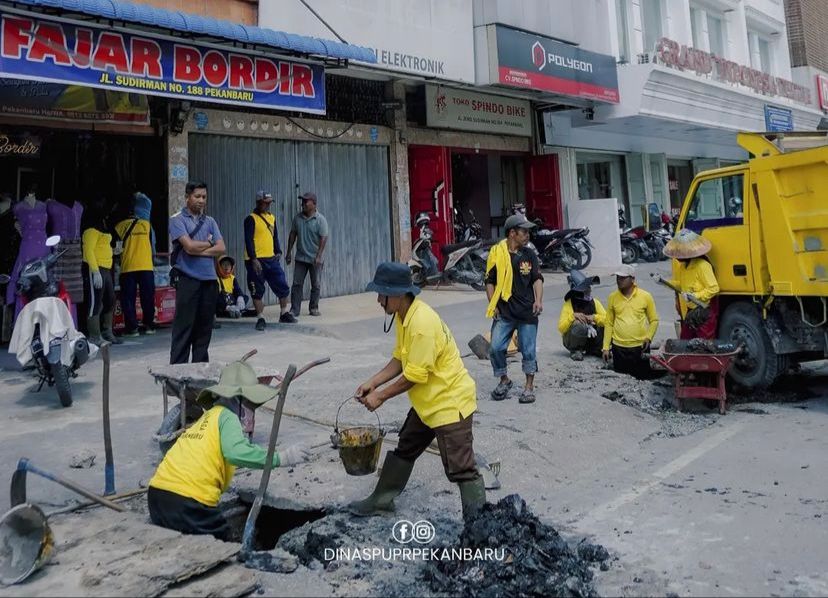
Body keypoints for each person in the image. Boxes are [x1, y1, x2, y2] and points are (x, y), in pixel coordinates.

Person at [350, 262, 485, 521]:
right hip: (427, 404)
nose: (379, 300)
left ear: (399, 294)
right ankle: (381, 500)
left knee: (462, 469)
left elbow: (414, 376)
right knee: (406, 447)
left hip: (448, 403)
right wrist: (373, 382)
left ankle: (479, 524)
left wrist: (380, 396)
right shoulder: (404, 315)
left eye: (382, 294)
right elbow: (401, 360)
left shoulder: (421, 323)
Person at [148, 361, 311, 539]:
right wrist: (280, 458)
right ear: (238, 398)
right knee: (223, 545)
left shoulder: (209, 416)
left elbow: (237, 448)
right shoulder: (228, 417)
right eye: (249, 401)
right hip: (186, 502)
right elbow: (236, 452)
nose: (250, 406)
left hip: (156, 496)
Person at [485, 214, 543, 404]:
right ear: (512, 233)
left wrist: (538, 300)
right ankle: (504, 380)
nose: (527, 235)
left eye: (528, 232)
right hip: (505, 312)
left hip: (527, 313)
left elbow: (537, 279)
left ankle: (528, 387)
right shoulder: (497, 253)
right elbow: (489, 281)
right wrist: (492, 304)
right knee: (495, 348)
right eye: (524, 232)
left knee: (528, 351)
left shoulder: (530, 255)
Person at [168, 181, 226, 364]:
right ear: (187, 197)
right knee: (184, 330)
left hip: (209, 282)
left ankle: (200, 374)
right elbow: (189, 247)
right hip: (188, 281)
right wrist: (210, 244)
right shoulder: (177, 220)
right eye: (197, 196)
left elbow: (221, 248)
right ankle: (177, 376)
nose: (201, 200)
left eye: (204, 197)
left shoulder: (210, 221)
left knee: (203, 332)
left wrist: (201, 249)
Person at [244, 190, 296, 330]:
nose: (268, 205)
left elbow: (274, 236)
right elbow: (248, 240)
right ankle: (260, 317)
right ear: (258, 203)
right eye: (265, 203)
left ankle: (284, 312)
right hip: (255, 261)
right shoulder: (251, 219)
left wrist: (278, 251)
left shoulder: (271, 218)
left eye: (269, 203)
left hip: (271, 259)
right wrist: (253, 259)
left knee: (282, 285)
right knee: (257, 289)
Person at [602, 264, 661, 379]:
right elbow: (609, 323)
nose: (619, 280)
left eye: (623, 278)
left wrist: (648, 337)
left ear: (632, 279)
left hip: (639, 347)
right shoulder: (612, 297)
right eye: (618, 277)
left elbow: (654, 320)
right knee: (621, 378)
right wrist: (605, 347)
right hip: (618, 347)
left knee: (641, 377)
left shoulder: (645, 296)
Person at [663, 229, 720, 340]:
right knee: (685, 340)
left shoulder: (702, 265)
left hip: (705, 310)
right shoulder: (683, 266)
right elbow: (680, 285)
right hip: (692, 311)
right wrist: (664, 282)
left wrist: (695, 295)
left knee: (703, 344)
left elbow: (714, 288)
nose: (677, 256)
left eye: (680, 253)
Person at [81, 196, 120, 345]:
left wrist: (113, 250)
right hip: (95, 269)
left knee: (110, 300)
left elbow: (102, 247)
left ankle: (107, 331)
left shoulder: (102, 225)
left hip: (106, 268)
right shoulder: (90, 228)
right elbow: (89, 250)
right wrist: (95, 271)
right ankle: (95, 336)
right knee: (94, 303)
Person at [114, 198, 155, 337]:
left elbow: (116, 249)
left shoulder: (119, 226)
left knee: (128, 299)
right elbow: (153, 246)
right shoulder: (146, 225)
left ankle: (132, 329)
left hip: (128, 267)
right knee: (148, 297)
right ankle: (149, 326)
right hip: (146, 266)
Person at [286, 192, 329, 318]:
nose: (303, 204)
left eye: (306, 201)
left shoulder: (320, 220)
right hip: (301, 257)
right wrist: (288, 252)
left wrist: (319, 255)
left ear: (314, 204)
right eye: (302, 201)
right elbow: (292, 235)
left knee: (316, 284)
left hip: (315, 258)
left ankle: (314, 307)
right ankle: (295, 309)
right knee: (297, 284)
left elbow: (324, 238)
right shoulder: (297, 218)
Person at [558, 270, 605, 361]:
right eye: (586, 289)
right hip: (572, 340)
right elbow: (561, 328)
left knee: (604, 325)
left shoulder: (595, 302)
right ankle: (576, 350)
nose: (589, 290)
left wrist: (594, 318)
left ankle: (595, 349)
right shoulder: (569, 304)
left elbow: (608, 319)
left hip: (592, 338)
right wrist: (573, 316)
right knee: (578, 324)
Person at [215, 255, 250, 320]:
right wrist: (227, 307)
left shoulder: (232, 278)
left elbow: (237, 290)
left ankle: (237, 309)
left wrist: (240, 298)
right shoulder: (215, 279)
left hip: (232, 301)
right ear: (219, 266)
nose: (226, 267)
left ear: (232, 267)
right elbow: (215, 297)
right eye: (224, 264)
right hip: (222, 303)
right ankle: (231, 311)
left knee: (244, 297)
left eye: (228, 265)